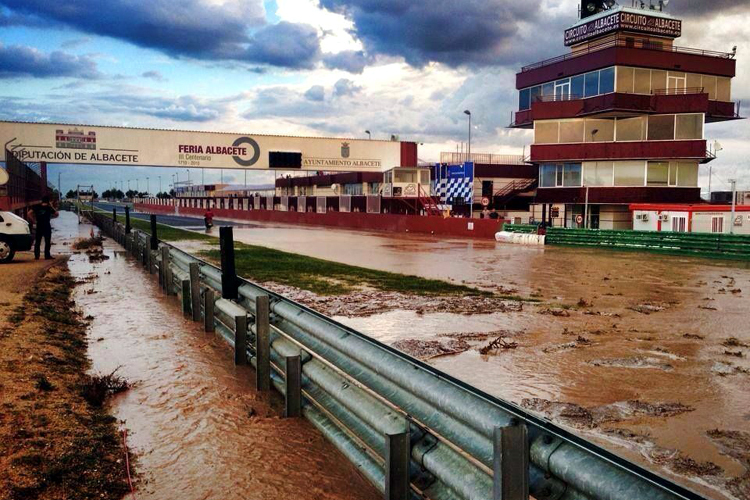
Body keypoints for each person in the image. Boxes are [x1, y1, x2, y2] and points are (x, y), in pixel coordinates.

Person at [29, 195, 58, 260]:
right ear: (48, 201)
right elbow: (57, 214)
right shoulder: (49, 208)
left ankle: (37, 256)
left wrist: (34, 221)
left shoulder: (36, 206)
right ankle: (47, 255)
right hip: (46, 225)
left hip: (39, 225)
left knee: (37, 241)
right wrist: (52, 206)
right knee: (47, 241)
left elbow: (29, 213)